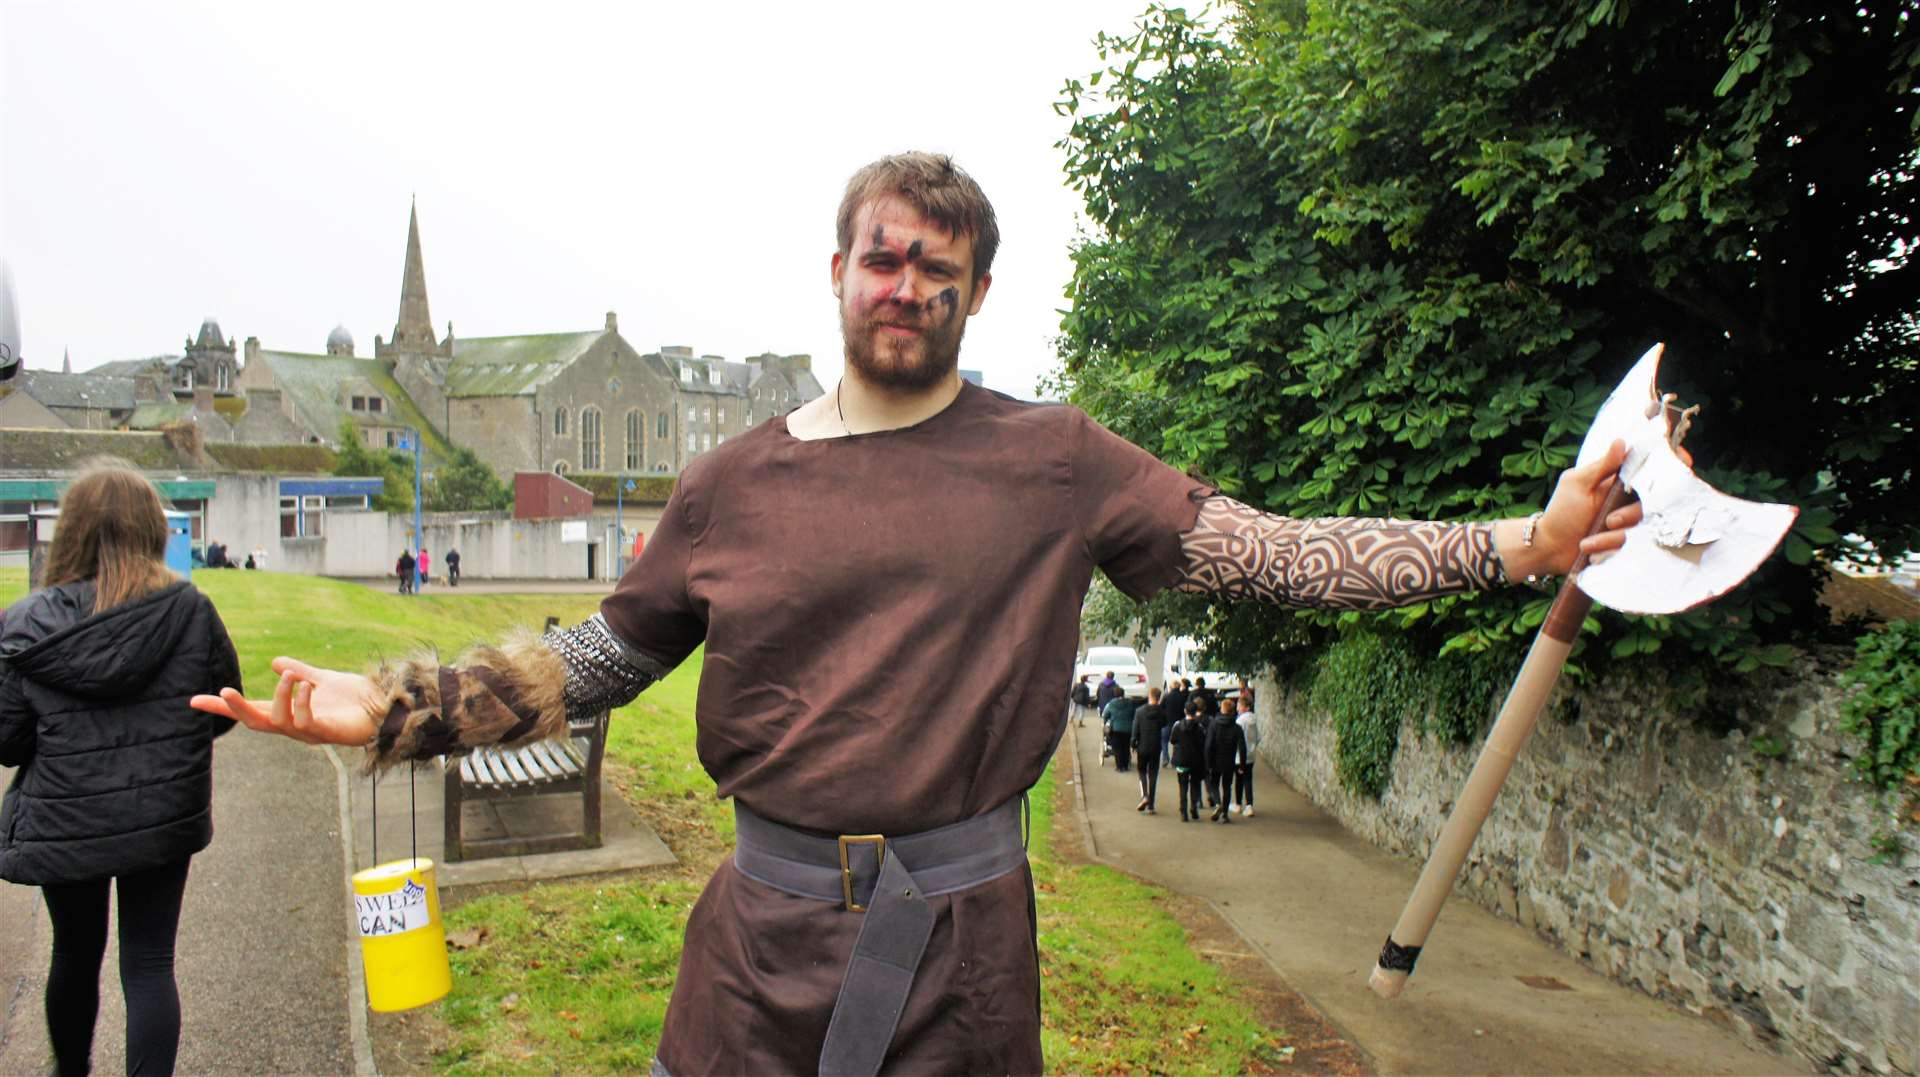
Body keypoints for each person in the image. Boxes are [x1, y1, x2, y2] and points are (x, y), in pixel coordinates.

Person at [191, 151, 1642, 1074]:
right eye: (882, 257)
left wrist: (1520, 541)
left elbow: (1264, 556)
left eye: (936, 269)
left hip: (961, 948)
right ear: (837, 272)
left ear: (976, 292)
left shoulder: (1056, 459)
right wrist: (398, 712)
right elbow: (599, 659)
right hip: (759, 942)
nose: (906, 285)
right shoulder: (732, 482)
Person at [1, 461, 241, 1077]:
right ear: (151, 531)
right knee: (150, 962)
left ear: (73, 531)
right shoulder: (190, 610)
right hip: (161, 817)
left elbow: (7, 738)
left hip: (67, 814)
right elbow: (222, 710)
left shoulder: (28, 621)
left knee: (75, 953)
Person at [1204, 696, 1247, 824]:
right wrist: (1242, 765)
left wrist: (1207, 762)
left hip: (1215, 760)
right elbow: (1242, 747)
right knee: (1227, 786)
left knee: (1213, 784)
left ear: (1222, 709)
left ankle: (1218, 804)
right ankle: (1225, 815)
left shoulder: (1214, 724)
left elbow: (1209, 744)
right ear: (1233, 710)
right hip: (1229, 760)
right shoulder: (1237, 727)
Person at [1129, 686, 1168, 814]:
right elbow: (1164, 724)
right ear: (1159, 697)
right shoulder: (1162, 712)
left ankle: (1144, 795)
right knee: (1153, 774)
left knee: (1141, 771)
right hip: (1156, 746)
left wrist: (1133, 743)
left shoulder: (1140, 711)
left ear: (1150, 696)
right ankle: (1151, 804)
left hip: (1143, 746)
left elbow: (1135, 728)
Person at [1169, 700, 1210, 822]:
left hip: (1182, 760)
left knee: (1183, 786)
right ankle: (1194, 807)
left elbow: (1172, 740)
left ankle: (1183, 811)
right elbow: (1203, 743)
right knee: (1195, 785)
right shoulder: (1199, 727)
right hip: (1196, 761)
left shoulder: (1177, 726)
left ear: (1185, 711)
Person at [1235, 694, 1260, 817]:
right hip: (1251, 755)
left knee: (1239, 780)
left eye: (1239, 706)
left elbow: (1236, 739)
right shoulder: (1254, 720)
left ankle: (1238, 804)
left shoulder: (1240, 721)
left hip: (1239, 756)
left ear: (1245, 707)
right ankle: (1249, 805)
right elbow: (1258, 737)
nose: (1237, 708)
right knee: (1248, 779)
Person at [1102, 689, 1137, 774]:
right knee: (1126, 747)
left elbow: (1106, 715)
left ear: (1115, 694)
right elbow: (1134, 714)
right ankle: (1125, 765)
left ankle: (1119, 766)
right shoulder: (1130, 703)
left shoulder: (1111, 704)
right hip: (1128, 729)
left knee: (1117, 749)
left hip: (1115, 729)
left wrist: (1106, 722)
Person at [1159, 678, 1187, 766]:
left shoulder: (1166, 696)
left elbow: (1160, 708)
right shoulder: (1183, 697)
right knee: (1177, 743)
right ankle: (1175, 760)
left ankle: (1165, 758)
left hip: (1167, 722)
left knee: (1164, 741)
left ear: (1171, 687)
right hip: (1179, 723)